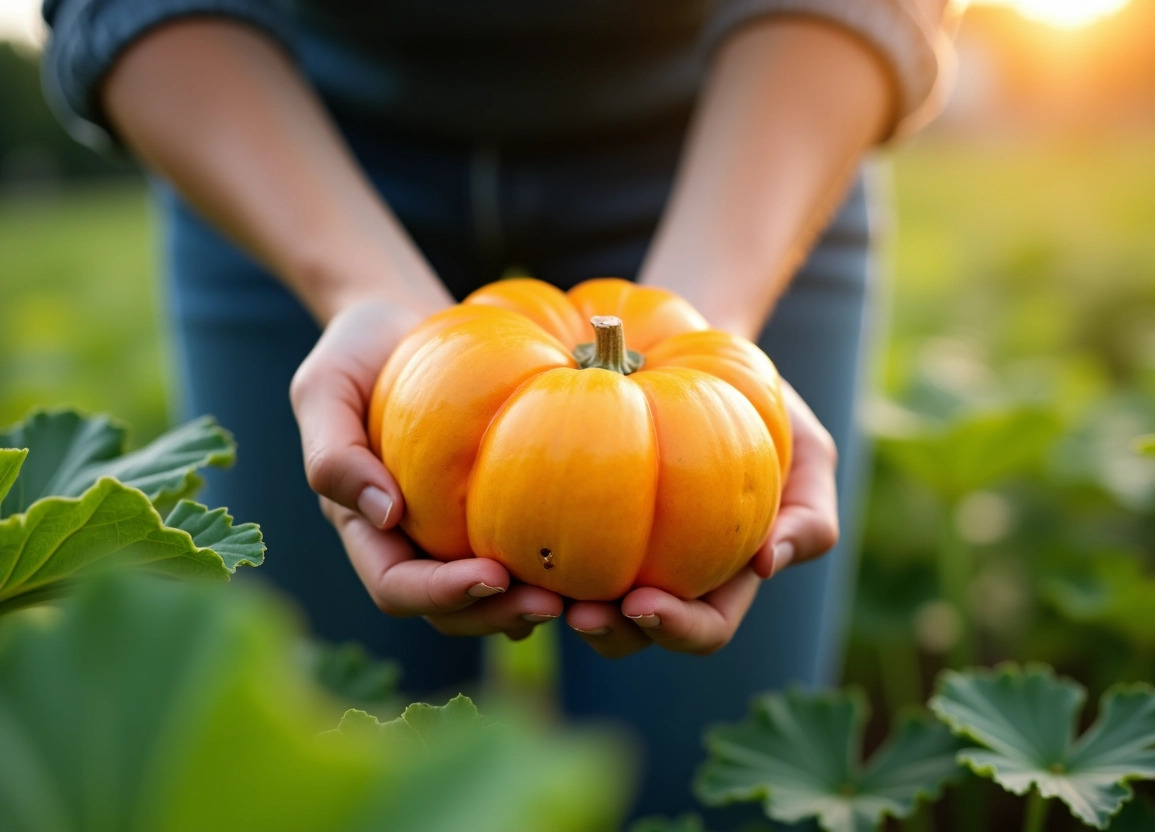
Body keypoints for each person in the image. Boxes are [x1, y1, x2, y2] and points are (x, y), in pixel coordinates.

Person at [42, 0, 951, 818]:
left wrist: (711, 322)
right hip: (274, 119)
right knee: (320, 762)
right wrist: (357, 284)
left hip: (745, 124)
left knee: (715, 789)